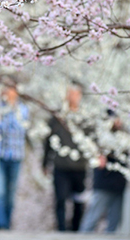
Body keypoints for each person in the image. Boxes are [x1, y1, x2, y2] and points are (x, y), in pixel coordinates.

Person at [42, 83, 88, 232]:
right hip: (61, 165)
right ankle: (61, 230)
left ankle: (75, 230)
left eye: (76, 94)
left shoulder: (85, 118)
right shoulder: (57, 117)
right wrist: (45, 162)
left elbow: (92, 140)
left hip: (80, 166)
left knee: (78, 201)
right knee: (60, 198)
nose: (73, 97)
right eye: (70, 93)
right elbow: (48, 141)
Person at [79, 113, 128, 233]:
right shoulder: (101, 135)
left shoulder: (125, 135)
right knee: (93, 217)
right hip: (104, 182)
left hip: (119, 183)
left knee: (114, 221)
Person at [0, 83, 29, 230]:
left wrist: (9, 109)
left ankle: (7, 224)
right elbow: (0, 127)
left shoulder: (23, 109)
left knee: (11, 193)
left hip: (16, 156)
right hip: (0, 154)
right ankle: (0, 224)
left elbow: (18, 127)